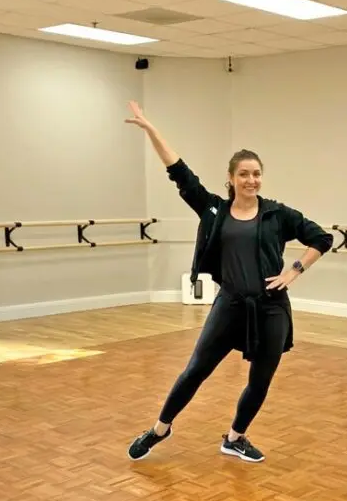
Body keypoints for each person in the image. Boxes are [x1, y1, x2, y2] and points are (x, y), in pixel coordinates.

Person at [123, 101, 334, 463]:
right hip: (230, 304)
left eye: (256, 174)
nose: (251, 180)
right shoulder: (214, 210)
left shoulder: (277, 214)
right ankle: (160, 428)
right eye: (244, 174)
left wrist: (294, 270)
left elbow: (322, 238)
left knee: (260, 381)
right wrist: (151, 130)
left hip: (271, 308)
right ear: (232, 178)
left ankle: (235, 438)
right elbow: (179, 171)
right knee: (195, 371)